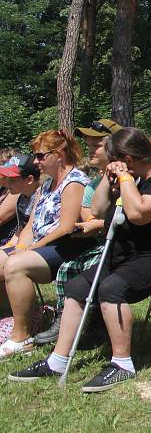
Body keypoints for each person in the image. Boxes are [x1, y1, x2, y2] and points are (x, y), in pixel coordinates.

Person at [9, 128, 151, 392]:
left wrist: (124, 178)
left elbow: (138, 214)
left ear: (129, 160)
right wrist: (108, 181)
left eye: (114, 161)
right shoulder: (133, 179)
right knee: (76, 287)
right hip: (130, 254)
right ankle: (58, 360)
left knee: (111, 287)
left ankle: (122, 363)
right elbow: (98, 210)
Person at [0, 130, 93, 359]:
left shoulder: (74, 182)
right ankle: (12, 318)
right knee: (6, 259)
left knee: (15, 266)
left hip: (66, 247)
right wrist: (21, 247)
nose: (35, 161)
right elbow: (31, 225)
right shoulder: (46, 185)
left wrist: (30, 250)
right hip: (44, 246)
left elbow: (66, 227)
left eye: (41, 156)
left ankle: (22, 336)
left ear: (59, 154)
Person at [34, 119, 122, 345]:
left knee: (87, 266)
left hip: (127, 246)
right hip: (103, 243)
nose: (90, 151)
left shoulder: (130, 176)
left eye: (97, 145)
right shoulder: (93, 184)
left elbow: (132, 216)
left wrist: (98, 225)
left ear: (115, 147)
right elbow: (89, 215)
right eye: (89, 145)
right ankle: (70, 320)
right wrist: (92, 226)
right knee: (68, 267)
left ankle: (94, 324)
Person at [0, 153, 38, 249]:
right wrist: (6, 247)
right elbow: (20, 229)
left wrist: (18, 248)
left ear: (29, 179)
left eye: (12, 180)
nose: (7, 183)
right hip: (19, 243)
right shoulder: (22, 198)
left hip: (35, 246)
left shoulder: (40, 197)